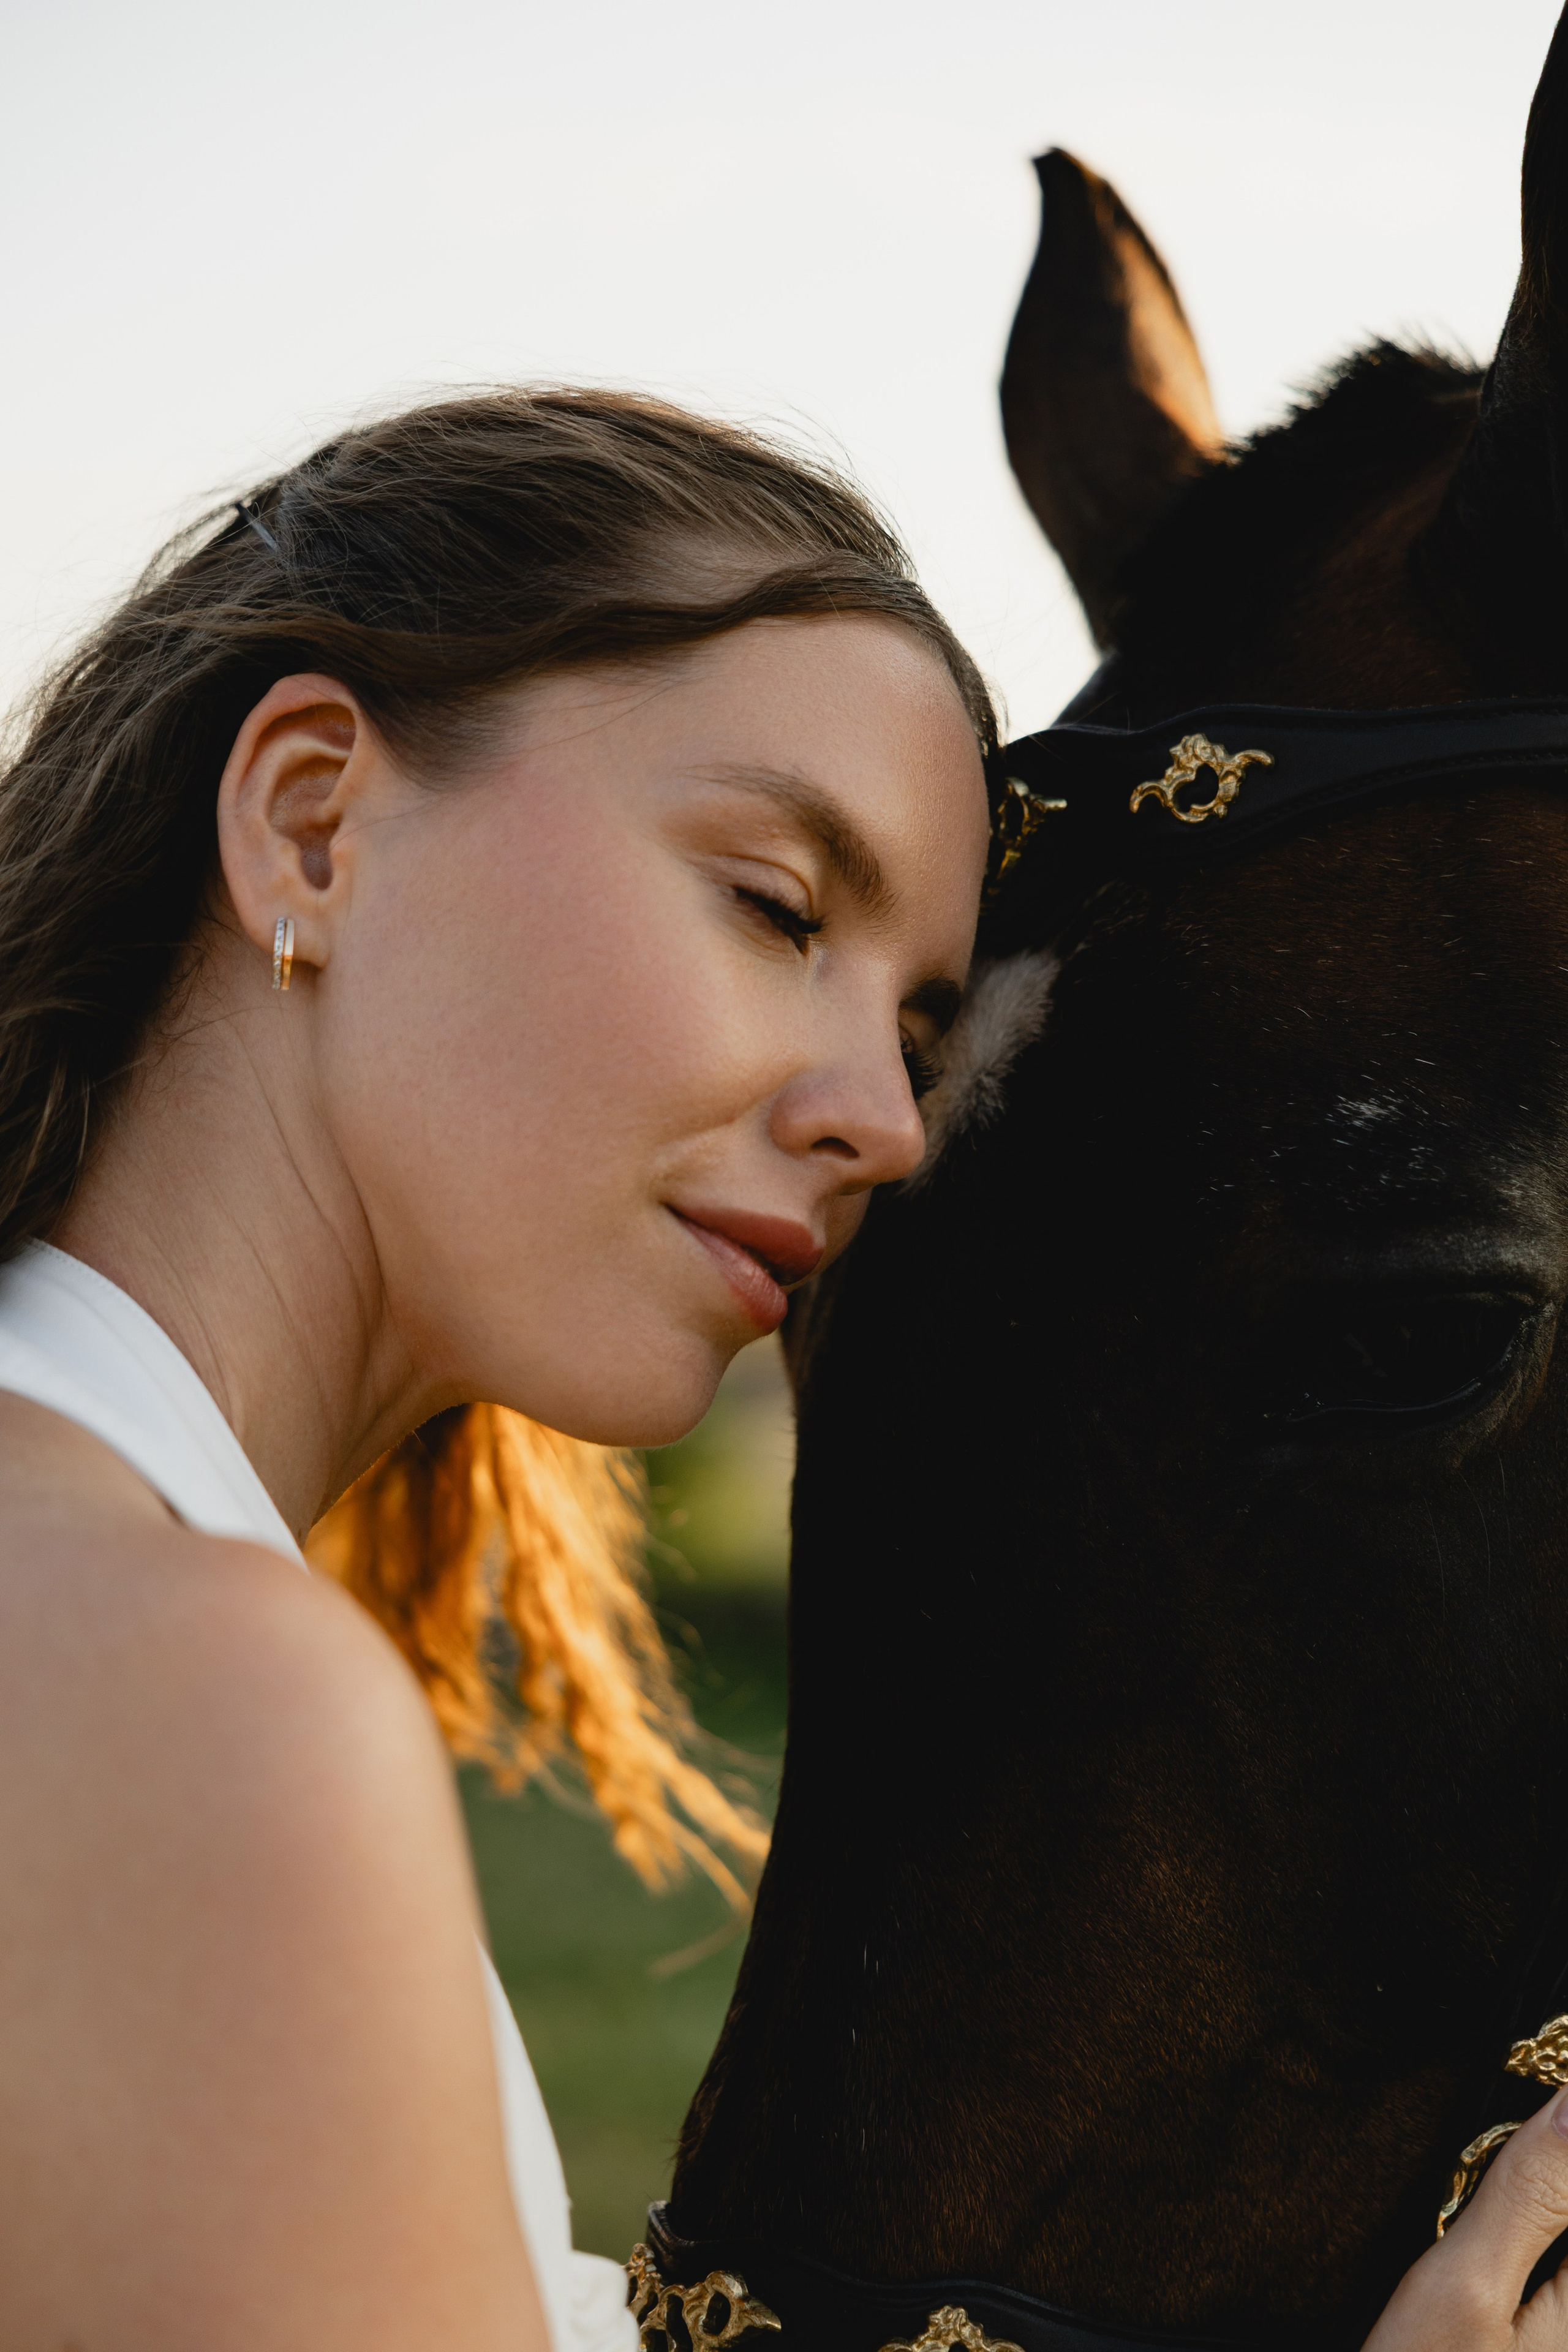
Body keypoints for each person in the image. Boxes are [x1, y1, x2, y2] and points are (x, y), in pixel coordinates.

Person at [0, 386, 1559, 2352]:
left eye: (917, 1030)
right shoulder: (191, 1698)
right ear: (313, 819)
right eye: (777, 908)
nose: (885, 1126)